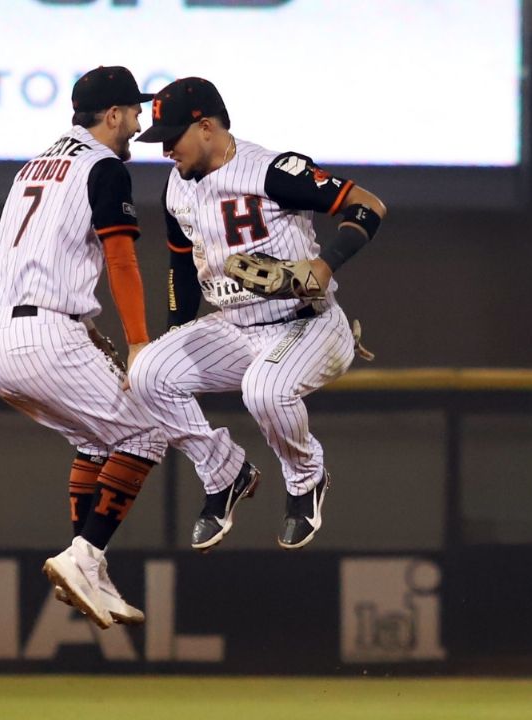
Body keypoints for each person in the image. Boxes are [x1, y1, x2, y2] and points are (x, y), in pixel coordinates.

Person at [130, 77, 386, 552]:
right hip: (233, 325)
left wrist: (324, 265)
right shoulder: (176, 187)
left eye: (172, 137)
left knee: (263, 389)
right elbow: (181, 269)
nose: (165, 149)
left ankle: (306, 477)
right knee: (147, 372)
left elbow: (368, 205)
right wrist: (172, 341)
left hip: (306, 320)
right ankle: (225, 473)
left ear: (206, 127)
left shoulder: (271, 170)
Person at [0, 66, 165, 630]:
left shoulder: (32, 166)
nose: (137, 121)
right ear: (111, 116)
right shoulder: (103, 165)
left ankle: (90, 566)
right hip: (46, 333)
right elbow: (121, 260)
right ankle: (84, 557)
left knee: (95, 440)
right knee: (149, 429)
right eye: (132, 111)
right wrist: (138, 343)